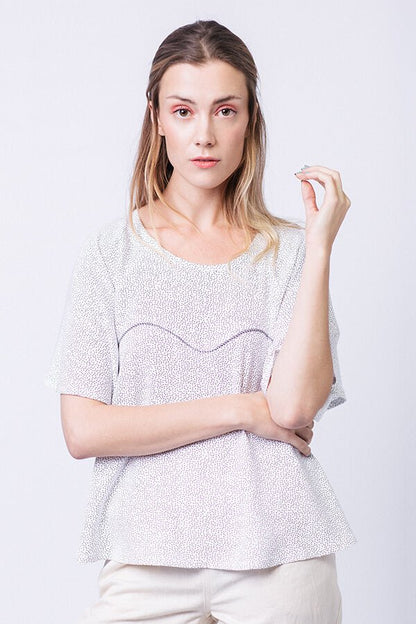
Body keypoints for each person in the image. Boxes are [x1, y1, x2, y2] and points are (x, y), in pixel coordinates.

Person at [44, 19, 357, 624]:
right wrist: (242, 410)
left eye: (225, 110)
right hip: (145, 552)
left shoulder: (291, 253)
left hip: (282, 553)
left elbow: (294, 408)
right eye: (184, 111)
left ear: (250, 120)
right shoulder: (111, 253)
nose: (205, 134)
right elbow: (83, 431)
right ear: (157, 119)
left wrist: (319, 246)